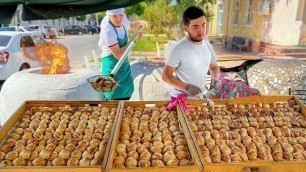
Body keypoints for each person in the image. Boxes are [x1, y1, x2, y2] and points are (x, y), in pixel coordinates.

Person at [162, 6, 221, 100]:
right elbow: (166, 76)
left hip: (199, 97)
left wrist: (215, 79)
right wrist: (187, 87)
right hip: (180, 99)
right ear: (186, 28)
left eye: (203, 25)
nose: (201, 30)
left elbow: (214, 67)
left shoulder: (207, 45)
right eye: (195, 26)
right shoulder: (179, 48)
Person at [99, 8, 149, 100]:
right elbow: (119, 55)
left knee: (127, 98)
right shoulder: (107, 30)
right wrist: (133, 40)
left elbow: (132, 26)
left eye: (121, 15)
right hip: (113, 67)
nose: (118, 19)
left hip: (124, 66)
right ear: (109, 15)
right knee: (114, 100)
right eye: (115, 16)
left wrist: (141, 22)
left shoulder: (123, 20)